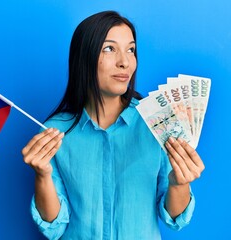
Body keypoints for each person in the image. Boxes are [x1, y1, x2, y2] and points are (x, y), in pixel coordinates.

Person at [22, 10, 205, 240]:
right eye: (109, 48)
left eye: (131, 50)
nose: (125, 62)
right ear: (84, 57)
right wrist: (42, 175)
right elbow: (54, 226)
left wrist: (179, 184)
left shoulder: (157, 121)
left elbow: (174, 219)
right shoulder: (54, 132)